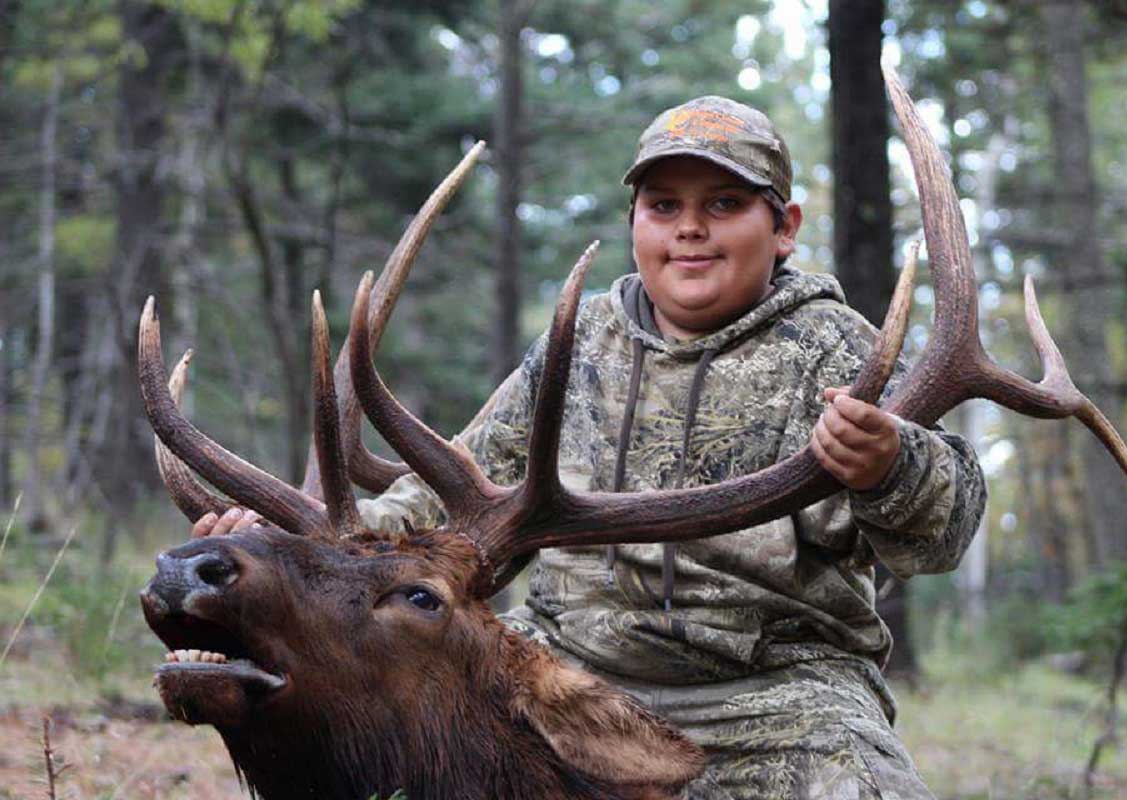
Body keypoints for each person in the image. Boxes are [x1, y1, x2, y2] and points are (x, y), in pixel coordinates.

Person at [196, 96, 985, 799]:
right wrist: (291, 546)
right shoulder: (579, 345)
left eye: (724, 203)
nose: (690, 228)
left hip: (778, 694)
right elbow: (441, 502)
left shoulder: (838, 349)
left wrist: (892, 465)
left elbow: (941, 535)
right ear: (635, 221)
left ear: (784, 228)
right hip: (565, 675)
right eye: (664, 205)